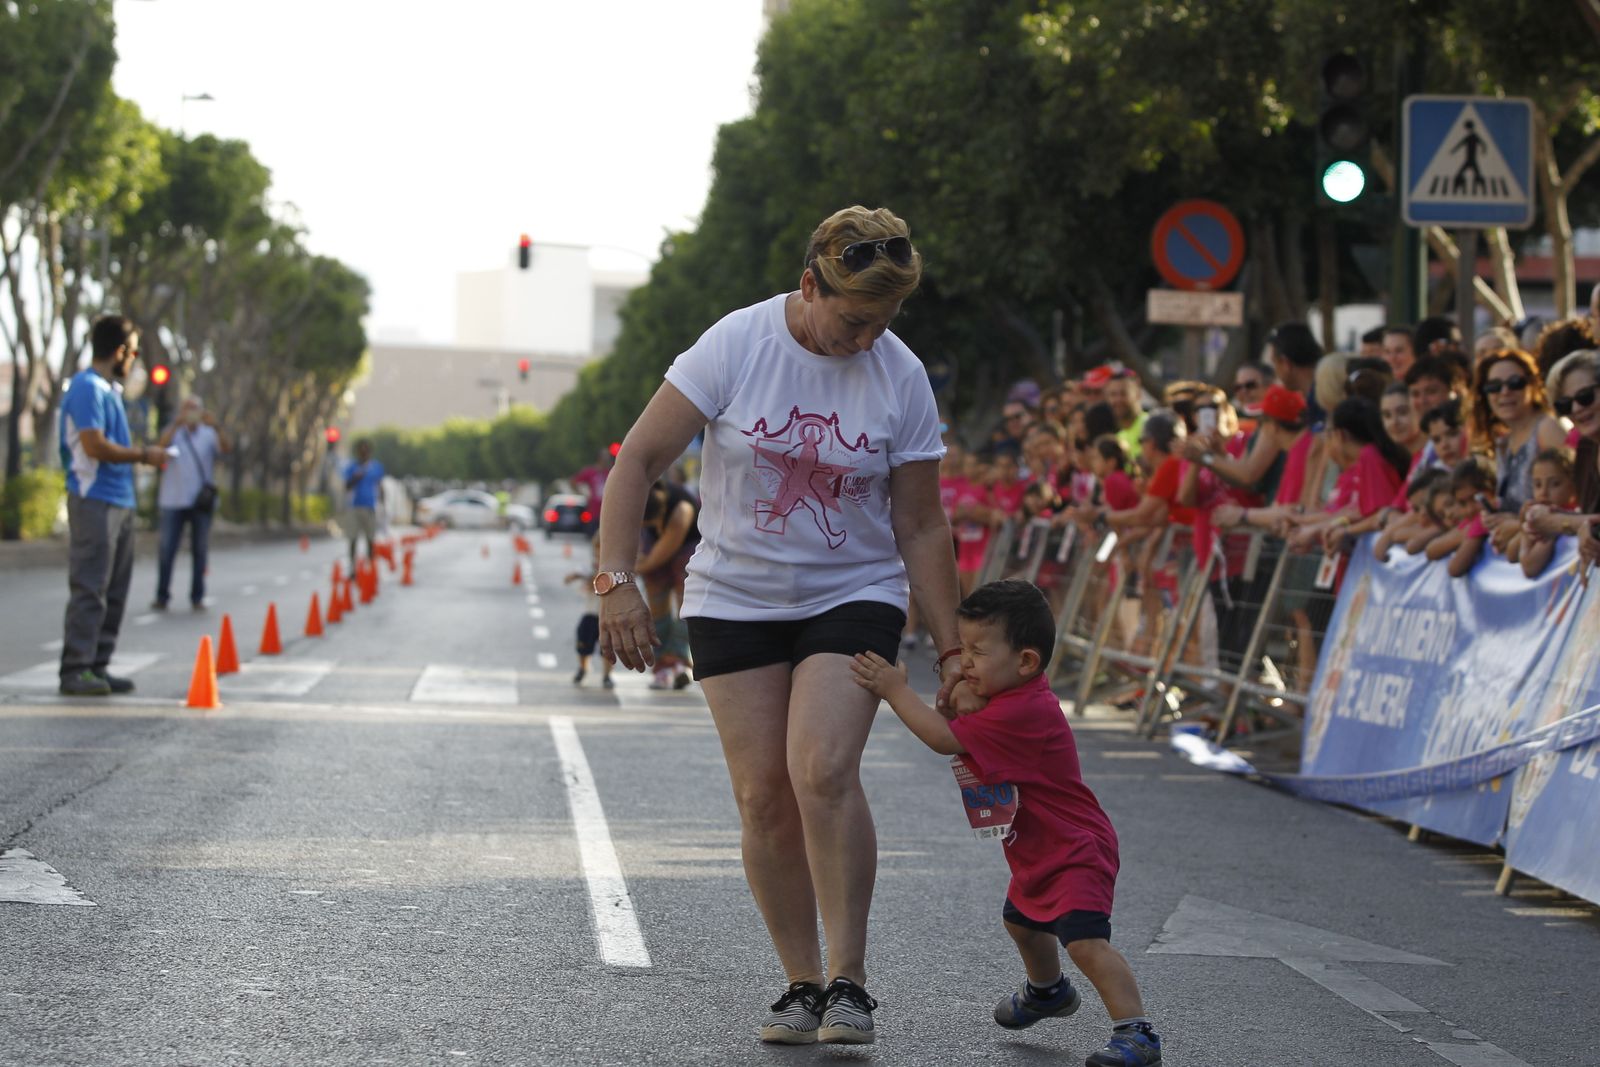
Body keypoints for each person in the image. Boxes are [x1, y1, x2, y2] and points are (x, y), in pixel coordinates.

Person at [596, 206, 962, 1045]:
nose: (867, 338)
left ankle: (850, 982)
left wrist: (952, 649)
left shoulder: (899, 375)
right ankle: (800, 980)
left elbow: (921, 525)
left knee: (822, 769)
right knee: (764, 795)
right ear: (809, 285)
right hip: (734, 597)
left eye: (884, 321)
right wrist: (616, 579)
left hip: (855, 589)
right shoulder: (736, 343)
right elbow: (638, 461)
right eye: (853, 318)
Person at [849, 579, 1162, 1067]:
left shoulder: (1022, 710)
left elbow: (941, 737)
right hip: (1038, 849)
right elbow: (954, 716)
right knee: (1021, 920)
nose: (964, 660)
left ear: (1026, 662)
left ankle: (1137, 1031)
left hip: (1076, 849)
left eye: (977, 651)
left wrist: (894, 690)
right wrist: (960, 689)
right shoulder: (1009, 696)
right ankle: (1047, 991)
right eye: (962, 648)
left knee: (1084, 941)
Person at [58, 315, 167, 696]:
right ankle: (75, 669)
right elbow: (94, 445)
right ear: (120, 351)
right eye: (134, 351)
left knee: (115, 591)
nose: (135, 359)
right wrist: (143, 454)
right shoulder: (87, 387)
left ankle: (97, 666)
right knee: (91, 587)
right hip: (94, 500)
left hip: (119, 501)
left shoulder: (110, 390)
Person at [153, 395, 230, 611]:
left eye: (195, 409)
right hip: (172, 499)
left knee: (200, 550)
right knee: (167, 550)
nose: (191, 413)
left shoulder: (209, 434)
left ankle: (197, 596)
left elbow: (226, 449)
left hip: (200, 502)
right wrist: (176, 424)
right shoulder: (173, 432)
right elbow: (158, 450)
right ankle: (162, 595)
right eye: (188, 409)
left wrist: (216, 425)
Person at [637, 479, 700, 689]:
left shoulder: (681, 510)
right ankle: (663, 665)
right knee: (657, 608)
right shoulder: (639, 501)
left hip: (688, 547)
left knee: (686, 609)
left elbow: (657, 557)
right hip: (655, 548)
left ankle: (680, 662)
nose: (656, 527)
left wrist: (636, 568)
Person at [564, 543, 614, 689]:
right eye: (598, 552)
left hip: (608, 616)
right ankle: (583, 667)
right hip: (590, 614)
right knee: (583, 643)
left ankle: (607, 675)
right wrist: (576, 577)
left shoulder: (614, 572)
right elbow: (568, 579)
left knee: (608, 648)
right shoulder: (587, 569)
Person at [342, 440, 385, 565]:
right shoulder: (352, 467)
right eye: (361, 450)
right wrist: (355, 477)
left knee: (370, 539)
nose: (364, 453)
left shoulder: (376, 467)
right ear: (358, 452)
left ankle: (370, 566)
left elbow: (380, 486)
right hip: (355, 507)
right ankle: (352, 568)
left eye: (366, 450)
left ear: (370, 452)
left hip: (370, 507)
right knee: (353, 538)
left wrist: (383, 505)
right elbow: (347, 486)